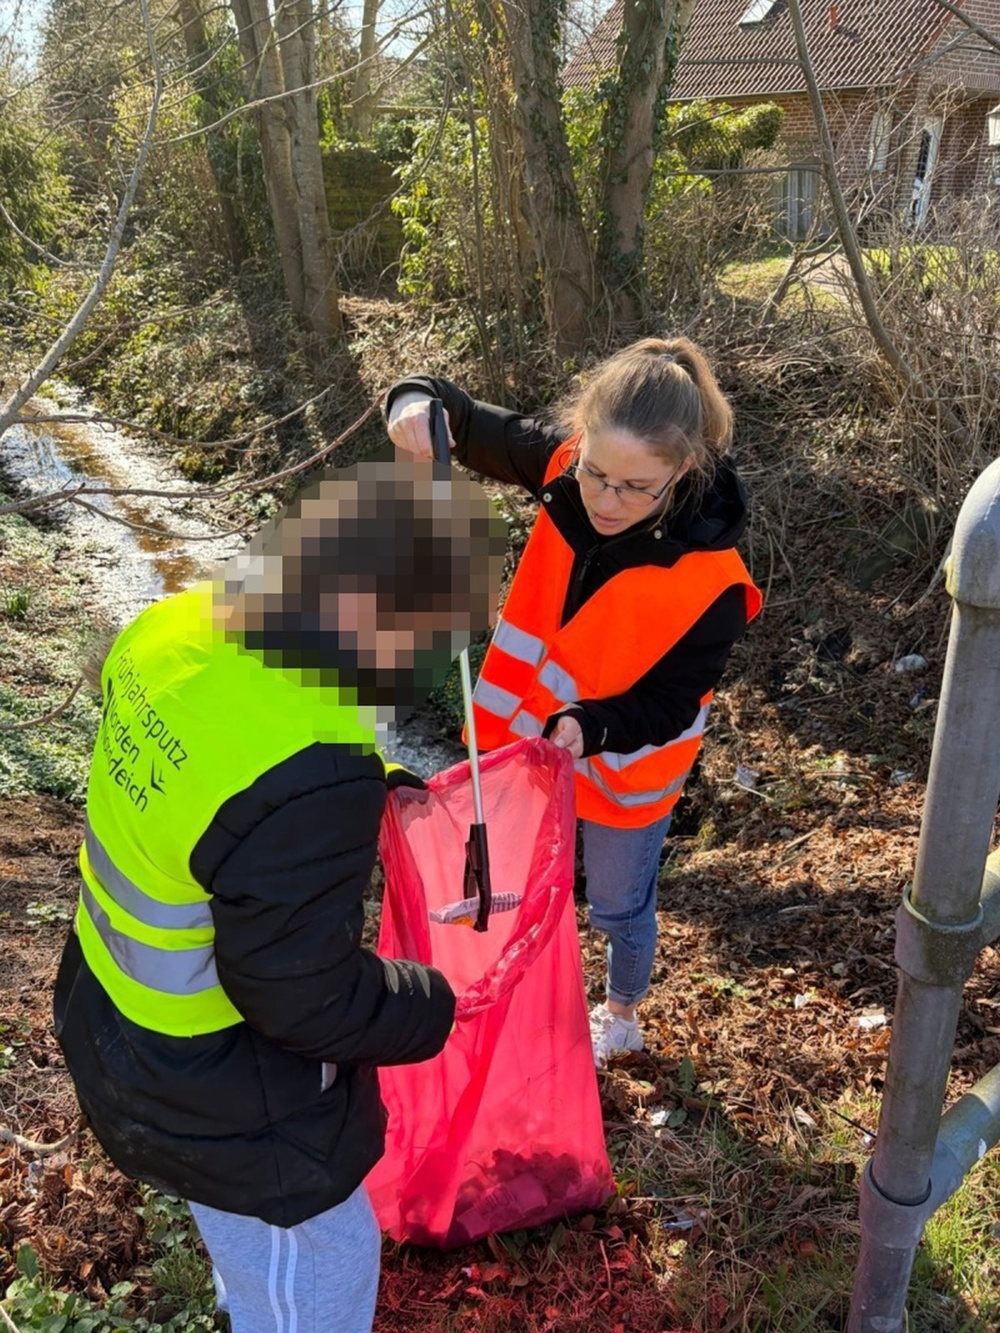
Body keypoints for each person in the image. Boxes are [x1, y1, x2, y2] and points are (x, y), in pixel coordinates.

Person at [53, 460, 506, 1333]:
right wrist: (430, 1005)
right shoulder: (310, 769)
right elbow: (304, 996)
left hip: (112, 1013)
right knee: (326, 1252)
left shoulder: (179, 623)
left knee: (244, 1238)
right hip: (225, 1086)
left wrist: (370, 781)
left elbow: (224, 773)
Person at [387, 338, 762, 1066]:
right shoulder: (562, 464)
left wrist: (591, 726)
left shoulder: (715, 582)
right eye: (595, 472)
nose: (604, 500)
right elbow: (455, 413)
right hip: (521, 745)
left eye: (634, 487)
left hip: (627, 768)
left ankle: (620, 1016)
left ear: (683, 470)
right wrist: (411, 400)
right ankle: (510, 997)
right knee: (506, 882)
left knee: (619, 905)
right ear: (581, 441)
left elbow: (671, 702)